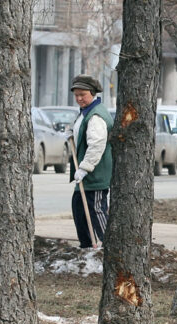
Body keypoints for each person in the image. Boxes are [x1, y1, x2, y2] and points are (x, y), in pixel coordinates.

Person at [68, 74, 113, 248]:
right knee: (79, 208)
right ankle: (86, 246)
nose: (79, 98)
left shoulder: (96, 116)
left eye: (82, 95)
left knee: (96, 210)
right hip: (85, 176)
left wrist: (85, 168)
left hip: (95, 175)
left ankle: (109, 247)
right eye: (76, 95)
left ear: (92, 93)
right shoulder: (85, 113)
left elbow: (97, 145)